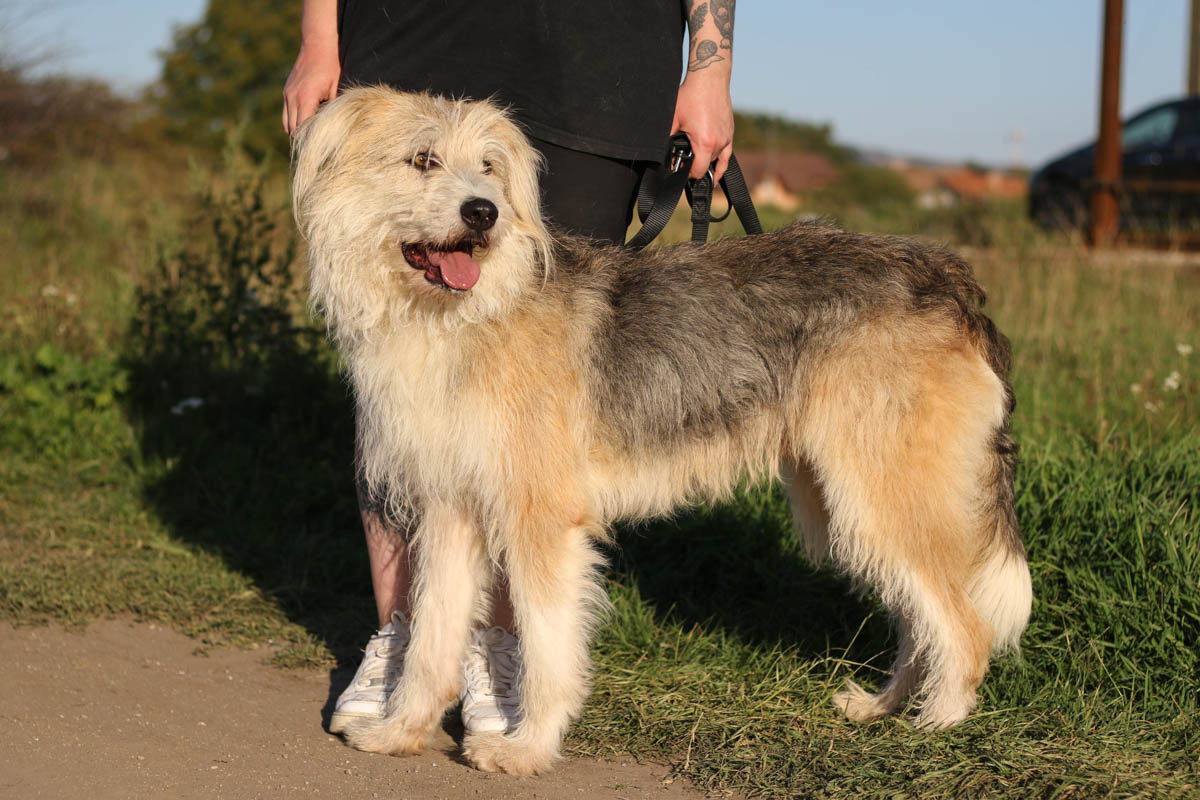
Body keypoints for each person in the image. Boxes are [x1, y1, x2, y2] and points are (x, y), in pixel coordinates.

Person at [282, 0, 736, 738]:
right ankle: (406, 646)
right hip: (413, 26)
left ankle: (502, 651)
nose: (478, 197)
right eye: (425, 164)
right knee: (429, 466)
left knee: (532, 478)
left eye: (487, 176)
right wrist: (317, 36)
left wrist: (709, 69)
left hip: (596, 64)